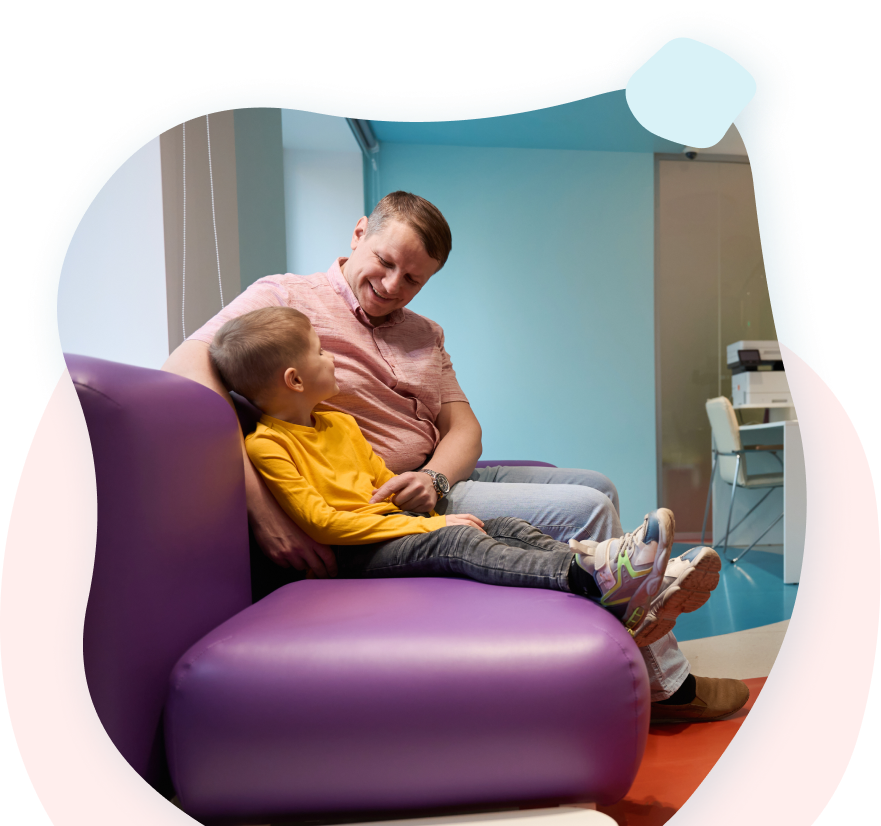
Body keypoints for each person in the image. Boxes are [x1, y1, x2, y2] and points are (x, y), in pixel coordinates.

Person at [163, 191, 748, 723]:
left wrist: (437, 480)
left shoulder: (425, 332)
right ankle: (667, 684)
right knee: (586, 506)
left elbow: (465, 428)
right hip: (384, 494)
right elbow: (186, 370)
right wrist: (260, 507)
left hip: (434, 476)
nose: (394, 286)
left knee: (598, 483)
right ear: (359, 232)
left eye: (414, 279)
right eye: (386, 263)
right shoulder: (285, 299)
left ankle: (624, 632)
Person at [208, 306, 724, 655]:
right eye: (319, 352)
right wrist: (431, 527)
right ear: (294, 380)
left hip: (394, 526)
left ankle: (605, 569)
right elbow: (324, 524)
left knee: (502, 525)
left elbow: (380, 483)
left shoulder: (339, 423)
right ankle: (591, 581)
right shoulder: (268, 445)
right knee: (460, 538)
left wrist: (418, 502)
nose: (330, 356)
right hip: (356, 553)